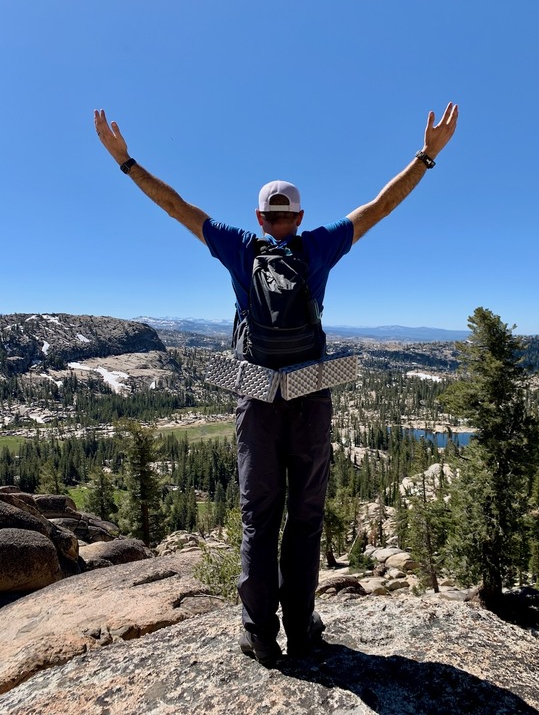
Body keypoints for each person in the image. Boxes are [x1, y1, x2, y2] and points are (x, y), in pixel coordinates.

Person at [94, 103, 458, 665]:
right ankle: (302, 625)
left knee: (258, 517)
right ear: (299, 215)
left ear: (262, 217)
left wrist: (126, 163)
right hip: (311, 396)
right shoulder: (318, 246)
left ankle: (259, 632)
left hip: (256, 396)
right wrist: (427, 155)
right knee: (306, 515)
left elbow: (177, 208)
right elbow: (381, 206)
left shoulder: (241, 247)